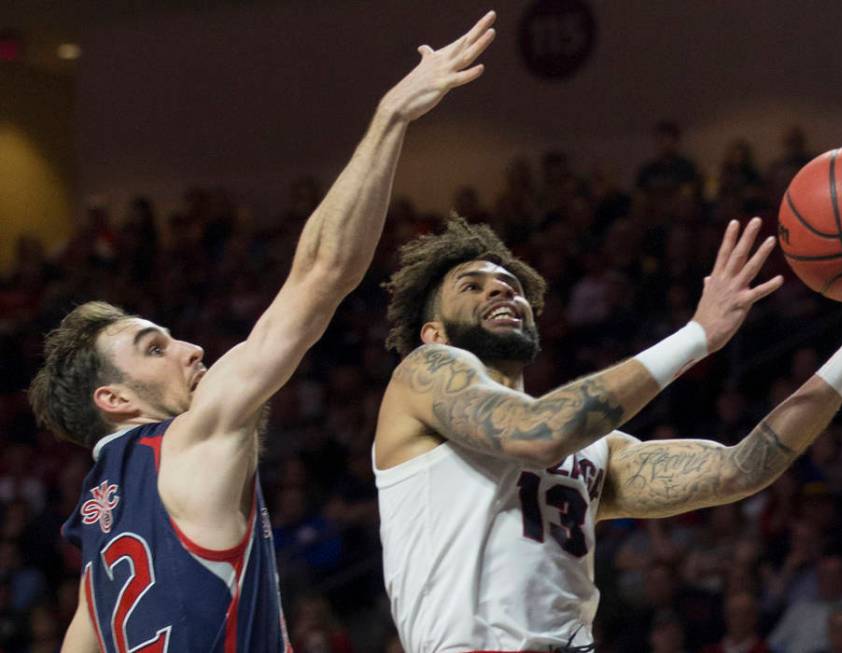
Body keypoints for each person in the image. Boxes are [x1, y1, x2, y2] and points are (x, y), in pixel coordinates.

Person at [27, 12, 498, 652]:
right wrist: (392, 116)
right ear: (114, 399)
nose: (192, 348)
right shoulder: (189, 441)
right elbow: (323, 273)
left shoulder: (94, 522)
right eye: (155, 348)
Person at [373, 215, 842, 652]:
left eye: (509, 285)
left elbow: (741, 468)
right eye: (472, 287)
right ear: (434, 332)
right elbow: (539, 432)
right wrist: (698, 335)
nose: (501, 291)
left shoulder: (596, 449)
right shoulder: (425, 373)